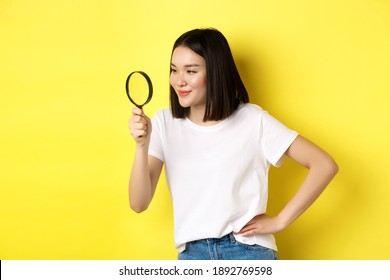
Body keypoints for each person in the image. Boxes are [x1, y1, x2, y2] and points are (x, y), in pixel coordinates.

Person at [128, 28, 338, 260]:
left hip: (247, 251)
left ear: (216, 72)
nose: (179, 80)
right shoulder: (164, 122)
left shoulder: (253, 120)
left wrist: (281, 220)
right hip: (192, 255)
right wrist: (141, 146)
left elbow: (324, 164)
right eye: (174, 70)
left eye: (191, 71)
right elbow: (138, 203)